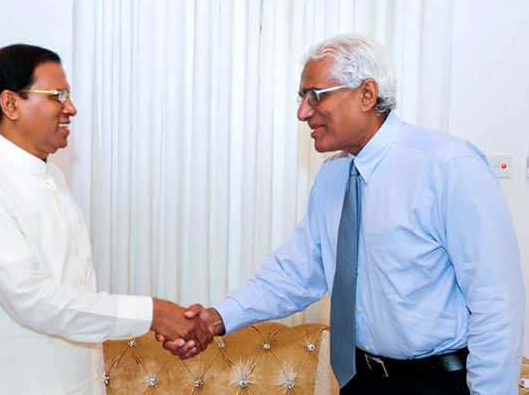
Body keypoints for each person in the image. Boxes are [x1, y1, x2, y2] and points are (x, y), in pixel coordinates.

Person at [161, 34, 524, 394]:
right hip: (359, 380)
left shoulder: (448, 167)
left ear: (367, 94)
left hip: (440, 383)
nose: (302, 112)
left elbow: (496, 304)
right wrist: (215, 319)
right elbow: (295, 274)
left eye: (314, 95)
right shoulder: (333, 177)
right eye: (301, 98)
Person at [0, 44, 212, 395]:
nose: (71, 108)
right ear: (11, 104)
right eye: (57, 95)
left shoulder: (50, 176)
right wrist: (153, 313)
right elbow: (32, 299)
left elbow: (71, 295)